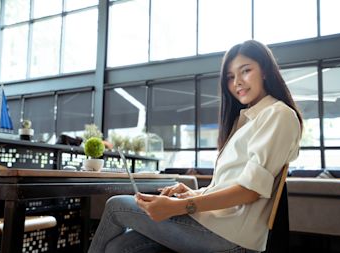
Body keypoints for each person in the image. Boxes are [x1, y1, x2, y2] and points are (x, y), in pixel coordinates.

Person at [88, 40, 303, 253]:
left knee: (116, 205)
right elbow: (229, 184)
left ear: (265, 71)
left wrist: (179, 206)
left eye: (245, 71)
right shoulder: (247, 120)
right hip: (218, 225)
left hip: (230, 236)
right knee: (120, 246)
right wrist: (193, 194)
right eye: (230, 77)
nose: (237, 82)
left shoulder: (278, 114)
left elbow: (249, 191)